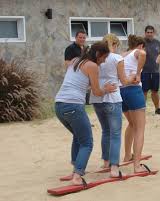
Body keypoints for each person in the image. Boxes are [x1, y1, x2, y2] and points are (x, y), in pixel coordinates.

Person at [55, 42, 116, 185]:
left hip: (59, 105)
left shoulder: (76, 60)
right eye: (105, 57)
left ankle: (75, 169)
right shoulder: (93, 66)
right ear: (98, 55)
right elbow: (96, 92)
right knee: (87, 142)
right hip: (73, 105)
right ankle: (77, 176)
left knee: (78, 135)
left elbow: (80, 82)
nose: (105, 60)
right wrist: (106, 89)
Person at [89, 34, 136, 177]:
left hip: (97, 97)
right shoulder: (117, 58)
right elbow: (123, 80)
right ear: (115, 44)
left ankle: (106, 161)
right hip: (112, 97)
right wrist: (133, 78)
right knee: (115, 133)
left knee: (106, 131)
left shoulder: (95, 57)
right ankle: (114, 167)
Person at [120, 34, 149, 173]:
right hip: (133, 90)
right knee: (140, 128)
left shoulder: (122, 54)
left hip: (122, 92)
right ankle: (137, 166)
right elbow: (142, 53)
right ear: (140, 45)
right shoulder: (137, 51)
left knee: (131, 124)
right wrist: (138, 74)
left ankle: (127, 156)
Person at [141, 25, 160, 115]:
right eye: (148, 32)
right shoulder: (141, 43)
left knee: (155, 91)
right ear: (145, 33)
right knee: (144, 91)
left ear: (153, 33)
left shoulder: (157, 43)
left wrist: (158, 62)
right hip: (144, 72)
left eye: (151, 32)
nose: (149, 34)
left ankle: (157, 109)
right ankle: (142, 110)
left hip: (155, 71)